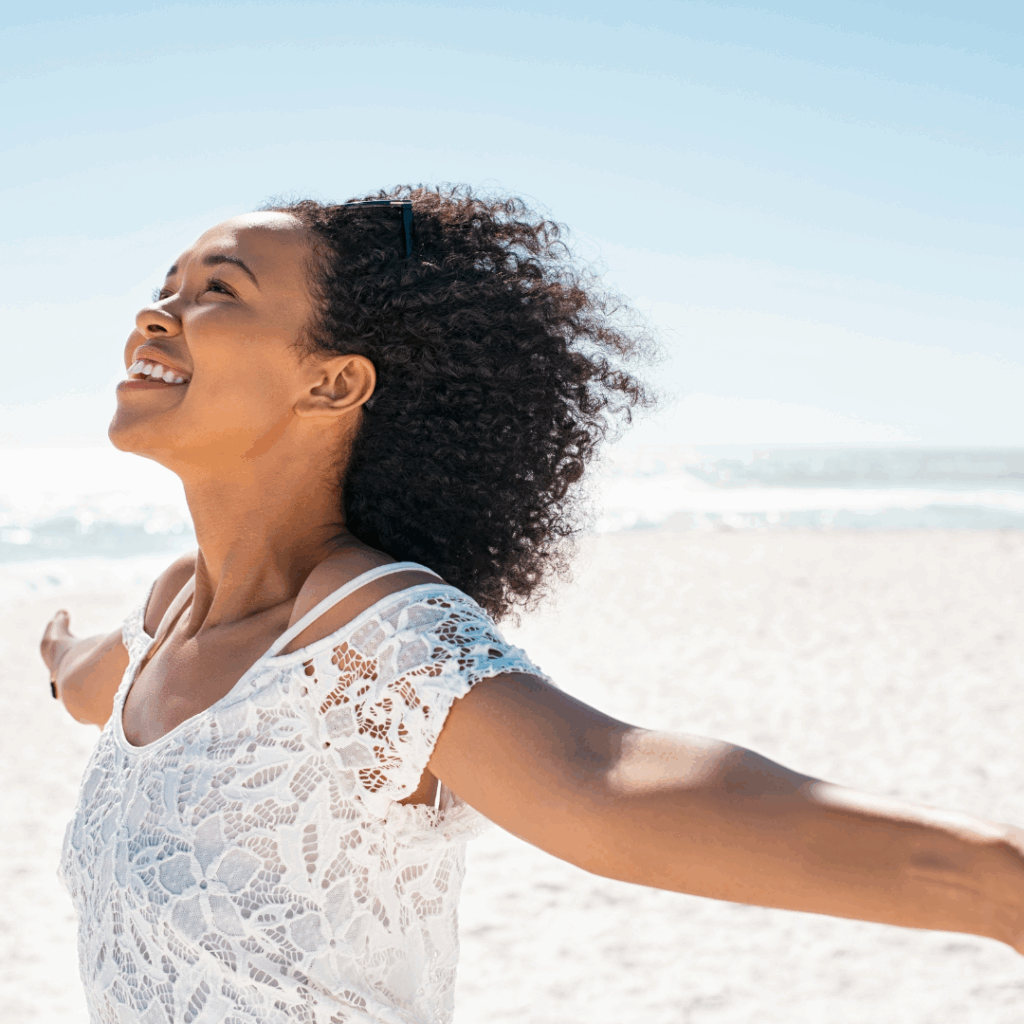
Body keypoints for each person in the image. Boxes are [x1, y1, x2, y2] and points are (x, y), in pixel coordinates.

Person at [40, 186, 1024, 1024]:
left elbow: (605, 782)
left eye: (219, 291)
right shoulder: (171, 614)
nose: (159, 312)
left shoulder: (365, 633)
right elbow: (97, 681)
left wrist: (994, 880)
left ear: (333, 382)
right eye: (165, 286)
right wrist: (59, 653)